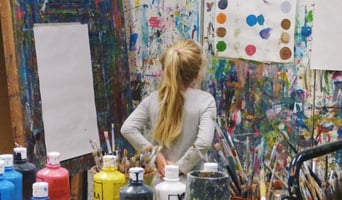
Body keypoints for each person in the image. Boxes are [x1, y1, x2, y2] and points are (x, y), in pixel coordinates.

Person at [120, 39, 217, 184]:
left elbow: (128, 128)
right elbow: (203, 143)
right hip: (191, 186)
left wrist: (155, 155)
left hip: (159, 184)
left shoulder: (153, 99)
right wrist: (179, 167)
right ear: (197, 74)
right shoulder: (205, 101)